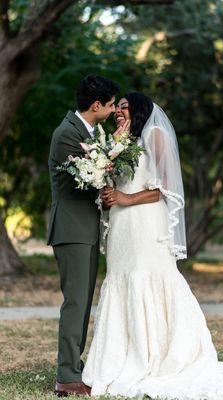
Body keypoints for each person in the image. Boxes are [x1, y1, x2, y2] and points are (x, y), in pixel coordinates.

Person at [82, 92, 223, 399]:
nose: (118, 113)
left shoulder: (157, 135)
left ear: (139, 110)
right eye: (117, 108)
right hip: (122, 228)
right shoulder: (117, 143)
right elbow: (116, 183)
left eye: (124, 107)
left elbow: (165, 189)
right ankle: (119, 357)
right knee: (121, 281)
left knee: (149, 278)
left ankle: (162, 358)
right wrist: (110, 193)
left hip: (147, 224)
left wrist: (127, 198)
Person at [47, 74, 119, 397]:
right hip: (72, 230)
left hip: (87, 231)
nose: (114, 109)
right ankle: (66, 377)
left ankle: (74, 365)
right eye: (111, 104)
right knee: (75, 303)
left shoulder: (94, 131)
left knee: (83, 302)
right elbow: (91, 173)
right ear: (96, 105)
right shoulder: (66, 135)